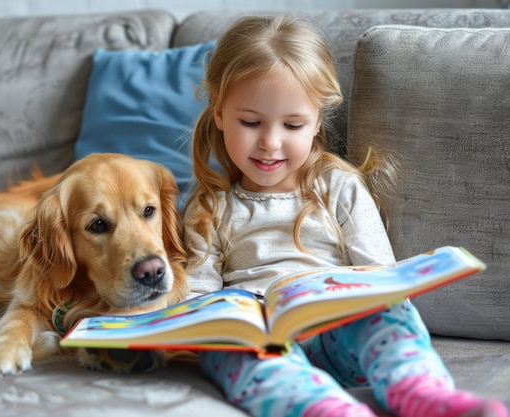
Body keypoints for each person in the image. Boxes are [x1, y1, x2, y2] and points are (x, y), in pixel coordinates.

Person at [182, 14, 508, 417]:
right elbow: (199, 302)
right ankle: (323, 409)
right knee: (224, 348)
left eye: (292, 124)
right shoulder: (209, 207)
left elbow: (381, 276)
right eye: (250, 122)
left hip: (342, 335)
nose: (270, 142)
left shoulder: (336, 184)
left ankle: (422, 395)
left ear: (318, 121)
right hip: (266, 347)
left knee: (390, 311)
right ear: (218, 113)